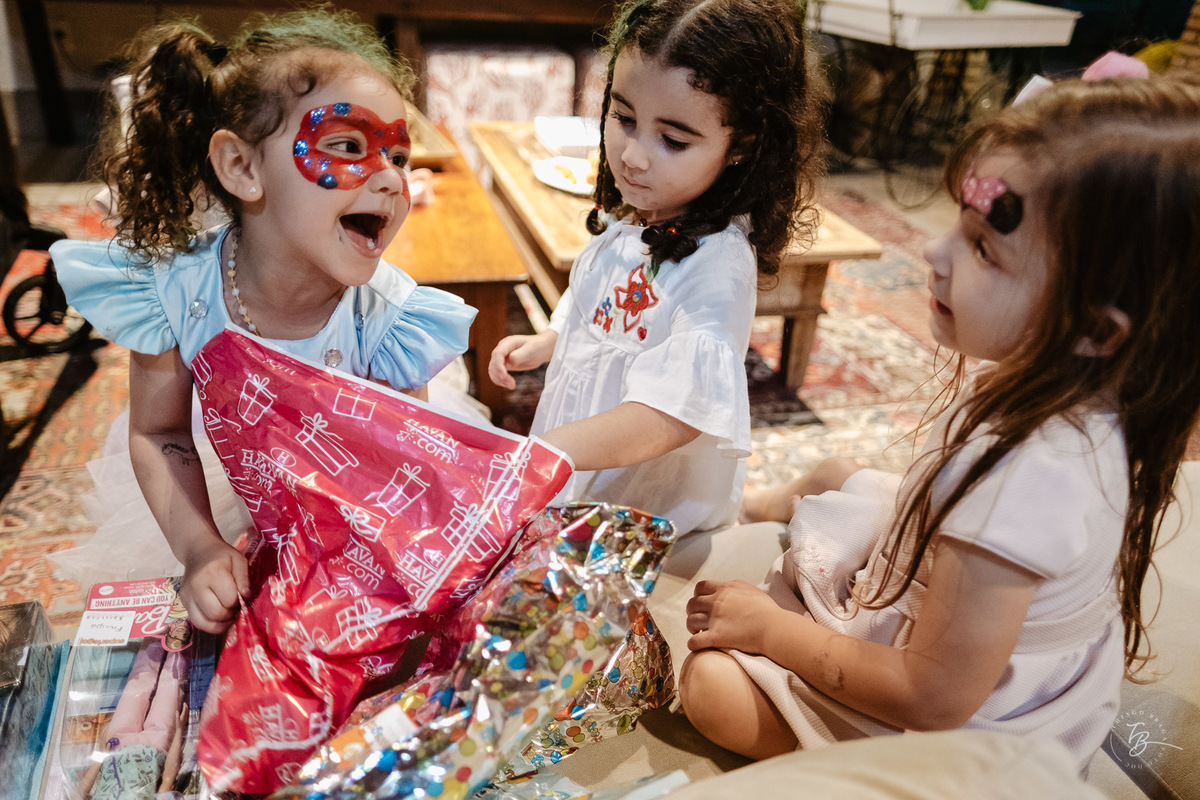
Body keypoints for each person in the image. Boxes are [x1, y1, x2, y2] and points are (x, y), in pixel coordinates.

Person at [680, 75, 1200, 771]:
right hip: (956, 603)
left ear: (1096, 329)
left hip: (963, 730)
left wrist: (772, 632)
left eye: (984, 248)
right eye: (958, 221)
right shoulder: (1093, 385)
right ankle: (763, 507)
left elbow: (930, 696)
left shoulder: (1029, 474)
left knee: (709, 688)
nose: (933, 251)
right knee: (837, 474)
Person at [52, 8, 476, 633]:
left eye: (397, 154)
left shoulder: (390, 323)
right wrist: (198, 549)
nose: (389, 178)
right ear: (243, 169)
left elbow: (398, 475)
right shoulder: (175, 292)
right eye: (348, 146)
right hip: (222, 484)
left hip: (347, 515)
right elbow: (159, 433)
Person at [488, 0, 823, 534]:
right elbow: (599, 298)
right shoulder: (644, 213)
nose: (633, 156)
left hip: (647, 500)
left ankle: (757, 513)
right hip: (589, 459)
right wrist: (553, 338)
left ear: (743, 146)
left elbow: (668, 415)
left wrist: (550, 450)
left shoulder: (716, 266)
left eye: (672, 140)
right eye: (623, 118)